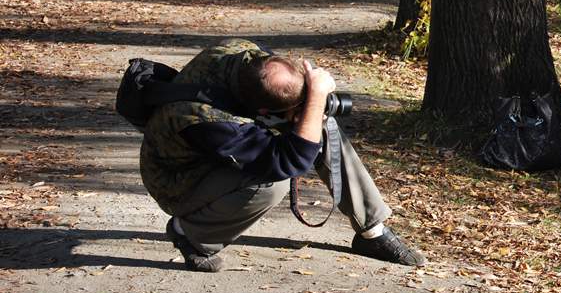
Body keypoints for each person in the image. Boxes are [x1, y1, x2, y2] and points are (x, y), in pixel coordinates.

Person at [139, 38, 425, 272]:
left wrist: (310, 96)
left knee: (319, 124)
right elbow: (290, 162)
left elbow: (281, 84)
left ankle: (371, 231)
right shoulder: (211, 122)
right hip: (176, 178)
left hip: (210, 150)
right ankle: (191, 233)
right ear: (264, 113)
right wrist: (312, 101)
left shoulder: (243, 55)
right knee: (269, 182)